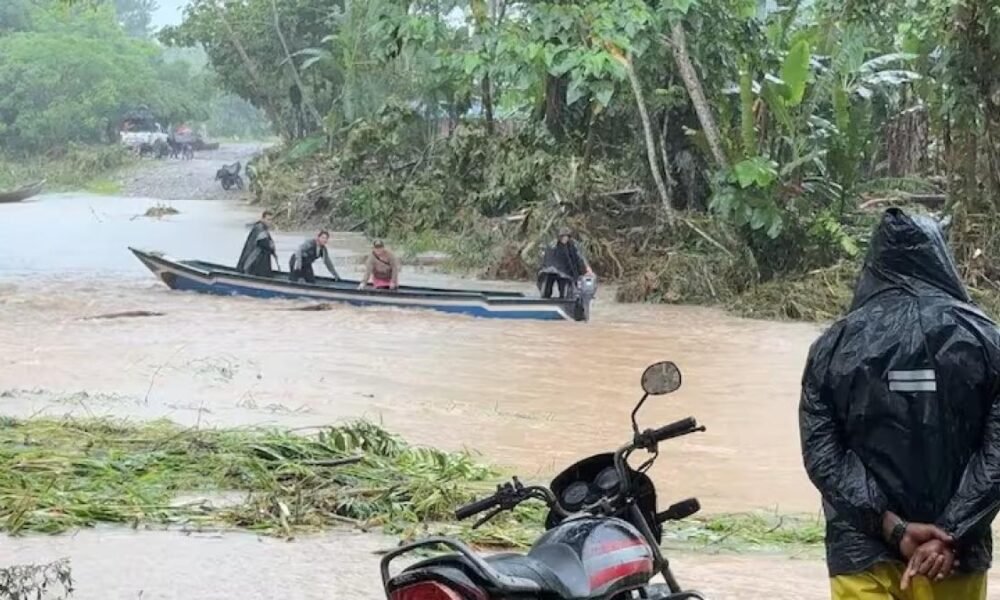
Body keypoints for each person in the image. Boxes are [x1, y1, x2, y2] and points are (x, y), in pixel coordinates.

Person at [799, 208, 1000, 600]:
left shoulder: (834, 345)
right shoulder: (987, 341)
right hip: (951, 559)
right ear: (942, 259)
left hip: (861, 555)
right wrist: (950, 532)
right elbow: (996, 459)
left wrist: (893, 528)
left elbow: (824, 457)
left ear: (874, 262)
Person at [537, 228, 592, 299]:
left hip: (564, 272)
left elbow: (577, 258)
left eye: (567, 236)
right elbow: (546, 260)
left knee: (564, 288)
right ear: (559, 237)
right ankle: (545, 299)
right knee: (547, 288)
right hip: (550, 271)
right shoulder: (552, 245)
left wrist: (585, 269)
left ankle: (563, 300)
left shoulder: (571, 246)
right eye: (563, 236)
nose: (565, 238)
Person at [236, 210, 277, 277]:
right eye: (268, 219)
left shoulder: (263, 229)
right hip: (254, 263)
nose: (270, 222)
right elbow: (266, 244)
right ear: (262, 219)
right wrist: (271, 247)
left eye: (271, 220)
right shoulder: (259, 229)